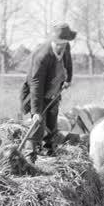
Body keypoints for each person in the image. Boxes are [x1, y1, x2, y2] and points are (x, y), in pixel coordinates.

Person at [19, 23, 76, 161]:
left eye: (63, 43)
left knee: (52, 125)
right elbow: (36, 85)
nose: (60, 46)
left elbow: (68, 62)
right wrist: (36, 112)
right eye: (58, 43)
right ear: (53, 40)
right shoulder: (42, 56)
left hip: (54, 92)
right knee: (37, 127)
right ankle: (29, 157)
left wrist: (68, 79)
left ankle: (50, 153)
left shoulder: (65, 47)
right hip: (37, 94)